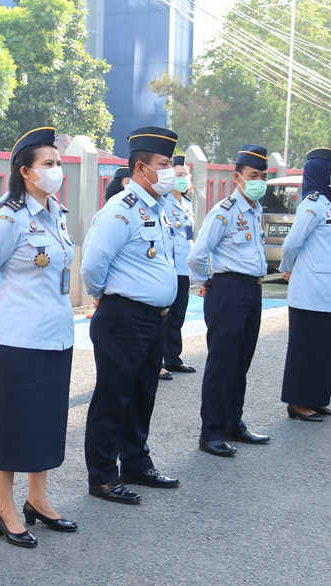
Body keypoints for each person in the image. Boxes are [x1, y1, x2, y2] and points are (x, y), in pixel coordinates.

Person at [0, 126, 78, 549]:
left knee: (46, 422)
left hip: (55, 336)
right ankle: (6, 508)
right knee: (14, 424)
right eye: (48, 164)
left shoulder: (57, 215)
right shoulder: (9, 218)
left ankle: (38, 498)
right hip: (15, 340)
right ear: (25, 172)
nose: (56, 170)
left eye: (58, 163)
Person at [80, 126, 182, 505]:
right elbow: (92, 265)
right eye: (164, 164)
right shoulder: (120, 211)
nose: (170, 171)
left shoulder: (157, 209)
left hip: (153, 318)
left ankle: (136, 462)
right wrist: (105, 297)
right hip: (123, 318)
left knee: (142, 393)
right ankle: (103, 475)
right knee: (113, 397)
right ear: (141, 168)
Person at [187, 145, 272, 457]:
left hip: (252, 291)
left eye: (263, 176)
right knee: (222, 363)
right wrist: (208, 281)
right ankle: (210, 432)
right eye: (253, 176)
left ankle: (232, 423)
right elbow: (197, 254)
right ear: (238, 178)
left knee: (241, 361)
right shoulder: (224, 211)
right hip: (228, 290)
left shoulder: (255, 210)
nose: (259, 181)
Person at [280, 147, 331, 422]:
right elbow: (292, 243)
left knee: (324, 348)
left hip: (329, 289)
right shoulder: (313, 203)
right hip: (309, 289)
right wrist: (287, 268)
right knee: (305, 348)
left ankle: (318, 398)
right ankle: (298, 402)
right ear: (320, 173)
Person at [160, 154, 196, 380]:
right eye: (178, 175)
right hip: (168, 267)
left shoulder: (187, 203)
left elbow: (189, 236)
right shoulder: (163, 202)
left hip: (184, 268)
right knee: (164, 316)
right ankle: (158, 361)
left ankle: (173, 357)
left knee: (178, 316)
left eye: (185, 175)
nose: (182, 179)